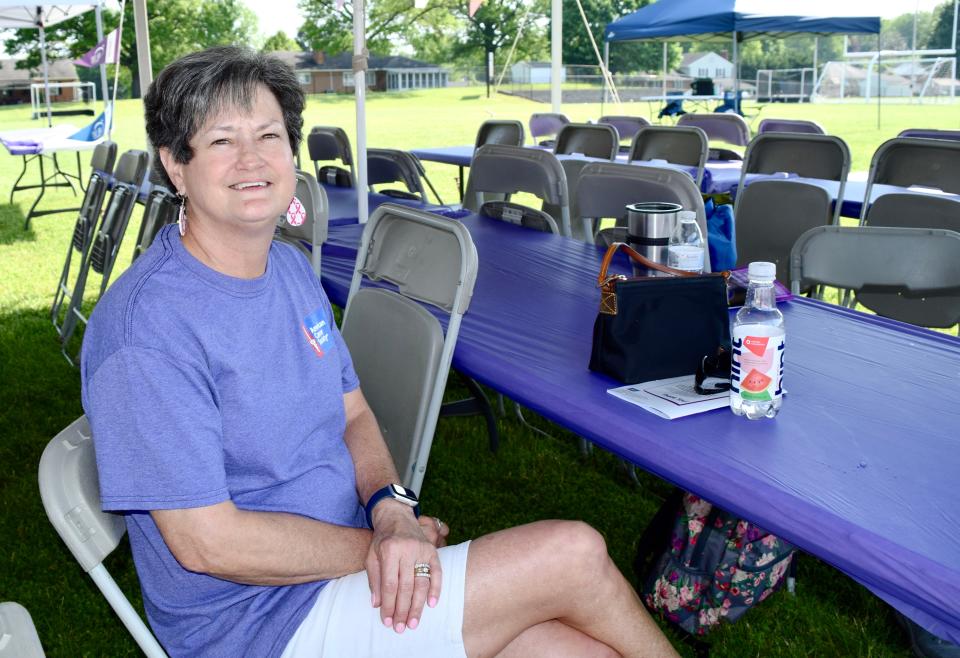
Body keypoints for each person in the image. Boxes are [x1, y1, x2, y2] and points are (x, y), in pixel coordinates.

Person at [80, 46, 679, 658]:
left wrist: (391, 511)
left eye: (268, 134)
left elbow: (354, 414)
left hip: (345, 568)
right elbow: (208, 545)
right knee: (570, 555)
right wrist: (382, 547)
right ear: (175, 167)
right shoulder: (145, 329)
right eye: (222, 141)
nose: (252, 158)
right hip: (259, 625)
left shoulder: (286, 269)